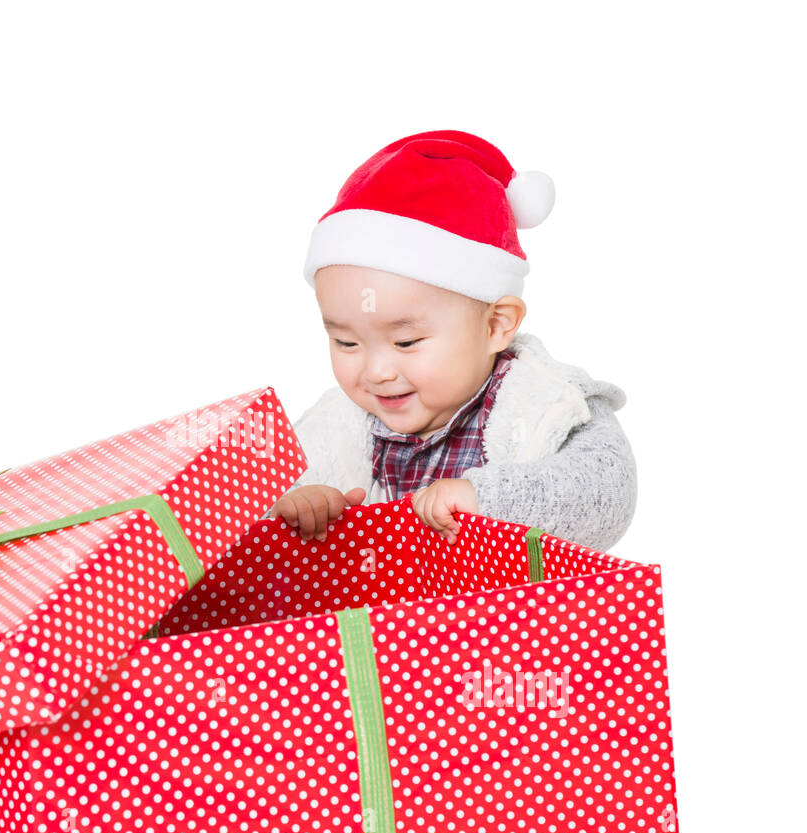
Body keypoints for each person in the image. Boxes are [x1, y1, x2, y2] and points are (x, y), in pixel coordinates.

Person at [270, 129, 636, 554]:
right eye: (346, 343)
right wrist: (297, 506)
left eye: (406, 342)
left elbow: (606, 492)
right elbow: (257, 508)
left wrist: (486, 498)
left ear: (497, 325)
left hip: (511, 619)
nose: (375, 372)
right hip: (383, 622)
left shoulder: (548, 403)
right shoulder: (339, 424)